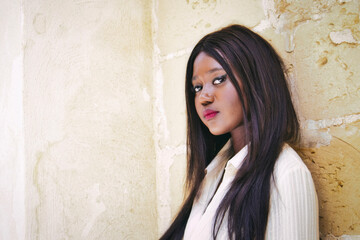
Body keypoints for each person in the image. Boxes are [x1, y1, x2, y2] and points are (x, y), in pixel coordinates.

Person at [160, 24, 318, 240]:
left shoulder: (285, 174)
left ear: (256, 80)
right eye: (197, 87)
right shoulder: (212, 173)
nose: (204, 97)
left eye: (219, 79)